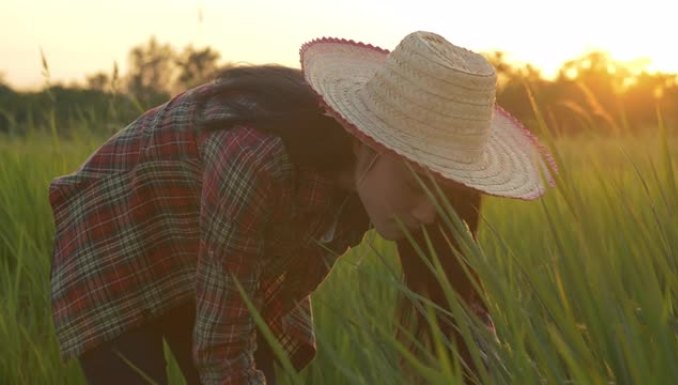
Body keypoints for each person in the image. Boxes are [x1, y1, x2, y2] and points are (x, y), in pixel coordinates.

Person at [48, 31, 553, 385]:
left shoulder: (374, 187)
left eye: (445, 197)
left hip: (214, 252)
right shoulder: (254, 155)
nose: (425, 214)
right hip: (119, 233)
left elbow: (459, 312)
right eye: (419, 185)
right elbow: (222, 350)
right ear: (364, 141)